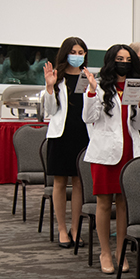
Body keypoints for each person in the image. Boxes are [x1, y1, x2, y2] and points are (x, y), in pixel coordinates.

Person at [82, 44, 140, 274]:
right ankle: (105, 252)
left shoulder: (136, 85)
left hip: (129, 150)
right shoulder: (99, 85)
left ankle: (121, 251)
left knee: (122, 204)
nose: (124, 63)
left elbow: (138, 125)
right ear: (111, 60)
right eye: (120, 58)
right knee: (103, 203)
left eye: (128, 60)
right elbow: (89, 117)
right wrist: (91, 92)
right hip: (104, 152)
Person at [42, 37, 90, 248]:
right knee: (60, 182)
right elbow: (50, 111)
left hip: (83, 135)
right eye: (74, 52)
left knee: (79, 182)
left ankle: (76, 228)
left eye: (81, 52)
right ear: (65, 54)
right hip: (61, 136)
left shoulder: (87, 77)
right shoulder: (57, 77)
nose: (77, 56)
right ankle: (62, 228)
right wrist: (50, 87)